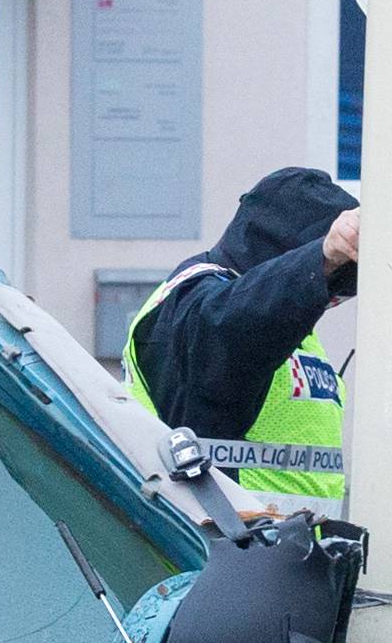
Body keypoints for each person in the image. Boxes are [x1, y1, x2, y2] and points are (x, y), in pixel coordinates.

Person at [123, 167, 359, 506]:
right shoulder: (194, 303)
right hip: (220, 546)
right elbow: (230, 325)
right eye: (333, 281)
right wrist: (321, 259)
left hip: (278, 552)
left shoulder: (288, 321)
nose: (334, 297)